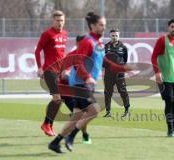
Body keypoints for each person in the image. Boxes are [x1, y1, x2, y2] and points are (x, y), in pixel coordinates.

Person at [48, 12, 133, 153]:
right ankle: (72, 137)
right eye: (101, 25)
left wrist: (122, 68)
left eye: (105, 25)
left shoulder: (98, 44)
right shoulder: (87, 42)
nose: (104, 28)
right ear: (93, 26)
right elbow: (77, 62)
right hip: (80, 84)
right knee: (94, 110)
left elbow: (105, 62)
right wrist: (87, 77)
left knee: (76, 117)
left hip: (86, 85)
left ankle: (56, 142)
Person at [35, 10, 67, 136]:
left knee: (60, 99)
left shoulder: (64, 34)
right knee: (57, 98)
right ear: (53, 21)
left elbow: (61, 55)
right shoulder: (47, 34)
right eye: (57, 20)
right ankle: (46, 124)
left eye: (62, 20)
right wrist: (39, 68)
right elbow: (37, 51)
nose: (60, 23)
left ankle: (48, 125)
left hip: (59, 71)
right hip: (49, 70)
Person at [60, 35, 92, 144]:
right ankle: (76, 135)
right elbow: (64, 75)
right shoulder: (71, 56)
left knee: (82, 114)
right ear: (78, 44)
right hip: (66, 91)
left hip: (78, 89)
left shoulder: (87, 56)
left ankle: (80, 135)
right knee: (81, 114)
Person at [103, 29, 130, 118]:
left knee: (122, 91)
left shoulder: (123, 47)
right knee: (107, 92)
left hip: (119, 73)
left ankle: (127, 110)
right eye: (112, 35)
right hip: (108, 73)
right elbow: (103, 60)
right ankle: (108, 112)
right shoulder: (106, 47)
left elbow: (125, 60)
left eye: (116, 35)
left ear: (119, 36)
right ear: (110, 36)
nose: (114, 37)